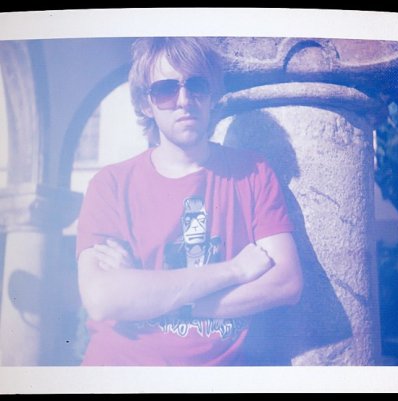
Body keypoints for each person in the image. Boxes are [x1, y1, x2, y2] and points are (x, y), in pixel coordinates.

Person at [76, 37, 303, 366]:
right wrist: (236, 270)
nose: (184, 100)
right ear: (146, 104)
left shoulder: (253, 173)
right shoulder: (110, 184)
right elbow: (102, 298)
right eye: (165, 90)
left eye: (196, 86)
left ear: (211, 96)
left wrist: (153, 296)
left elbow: (287, 283)